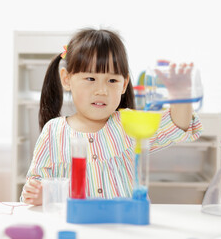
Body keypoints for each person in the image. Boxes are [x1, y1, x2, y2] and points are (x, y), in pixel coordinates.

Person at [21, 28, 202, 205]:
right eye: (90, 79)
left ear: (124, 85)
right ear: (67, 79)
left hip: (125, 226)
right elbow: (32, 188)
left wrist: (181, 97)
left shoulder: (128, 123)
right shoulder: (53, 131)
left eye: (112, 80)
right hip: (80, 228)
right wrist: (39, 195)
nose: (102, 91)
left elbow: (177, 126)